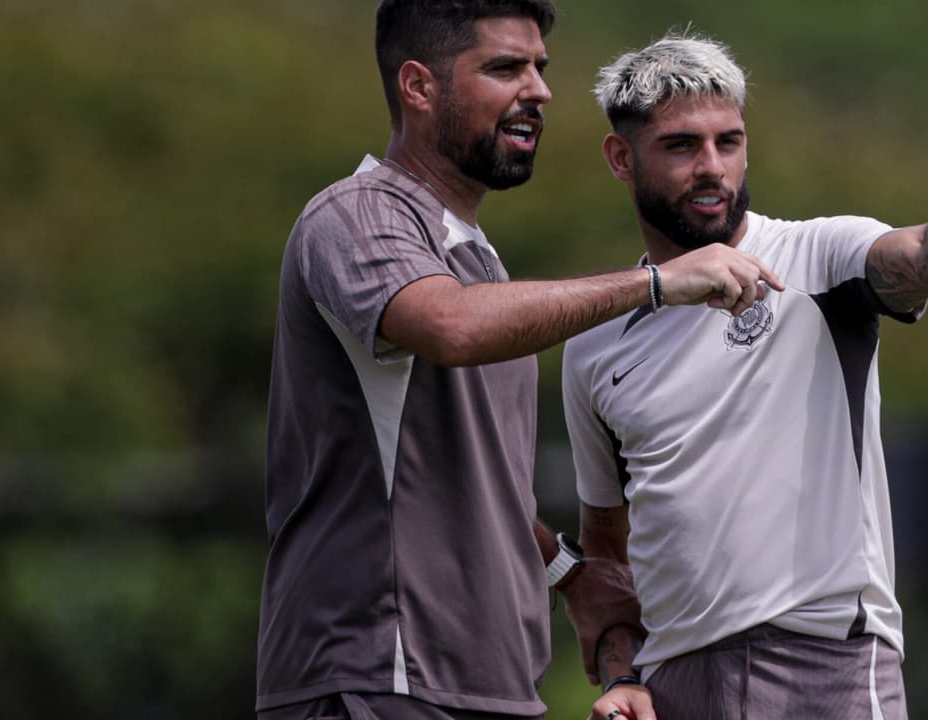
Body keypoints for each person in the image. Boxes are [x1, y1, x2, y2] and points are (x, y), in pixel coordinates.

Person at [257, 3, 785, 719]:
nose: (538, 91)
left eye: (540, 68)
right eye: (505, 68)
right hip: (377, 678)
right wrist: (657, 283)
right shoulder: (356, 216)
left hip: (486, 686)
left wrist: (569, 573)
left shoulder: (477, 257)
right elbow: (451, 326)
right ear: (418, 86)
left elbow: (467, 477)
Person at [561, 34, 928, 720]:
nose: (711, 168)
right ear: (621, 157)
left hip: (827, 664)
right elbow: (607, 551)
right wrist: (620, 677)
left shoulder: (818, 257)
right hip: (673, 686)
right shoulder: (594, 345)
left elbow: (924, 256)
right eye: (680, 146)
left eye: (728, 142)